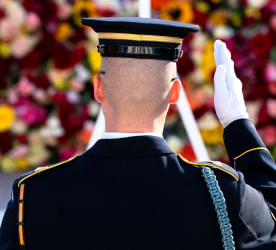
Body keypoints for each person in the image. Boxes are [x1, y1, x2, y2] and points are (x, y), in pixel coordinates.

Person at [0, 17, 276, 250]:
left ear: (98, 89)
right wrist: (238, 124)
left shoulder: (34, 195)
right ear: (176, 93)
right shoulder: (222, 191)